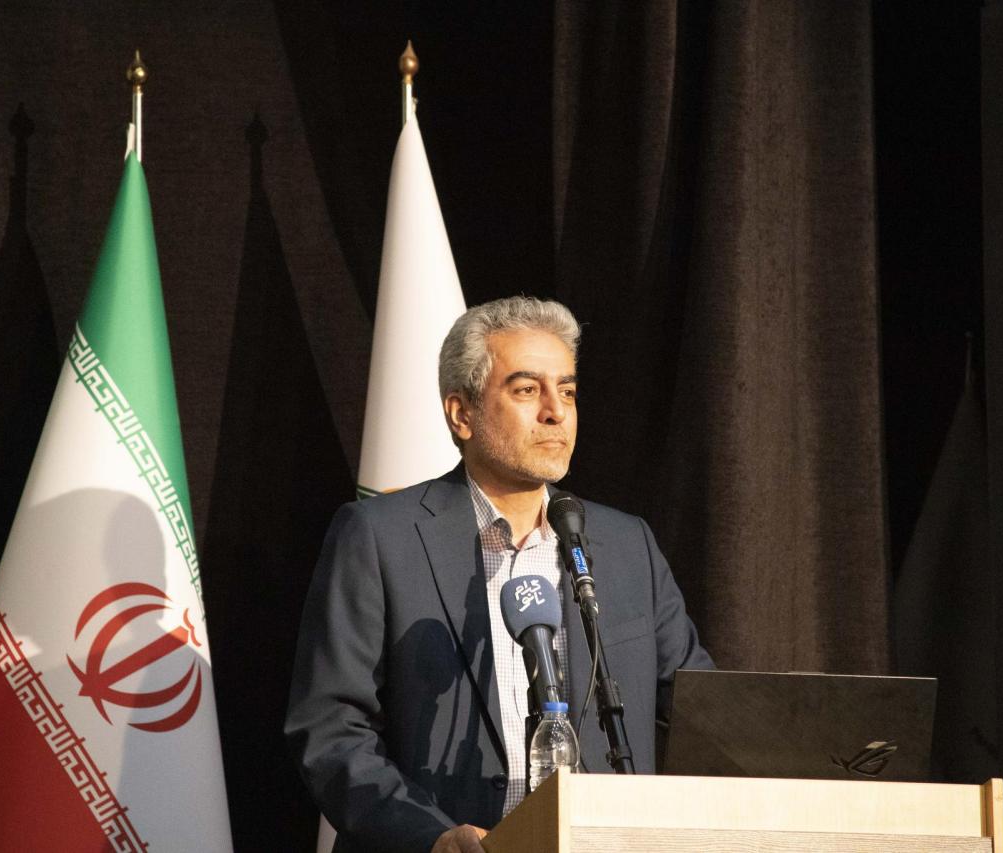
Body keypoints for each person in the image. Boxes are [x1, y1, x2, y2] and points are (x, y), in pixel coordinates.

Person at [285, 296, 713, 853]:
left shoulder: (627, 544)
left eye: (567, 391)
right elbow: (331, 729)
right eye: (527, 390)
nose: (556, 412)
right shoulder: (379, 536)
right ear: (461, 414)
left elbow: (700, 718)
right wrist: (432, 837)